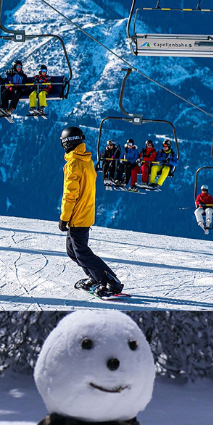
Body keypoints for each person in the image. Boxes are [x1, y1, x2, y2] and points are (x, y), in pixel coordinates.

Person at [57, 126, 123, 297]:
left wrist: (64, 217)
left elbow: (70, 194)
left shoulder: (74, 164)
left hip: (77, 215)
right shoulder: (86, 160)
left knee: (82, 253)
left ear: (67, 143)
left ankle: (110, 281)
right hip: (85, 212)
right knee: (73, 251)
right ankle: (95, 277)